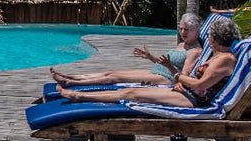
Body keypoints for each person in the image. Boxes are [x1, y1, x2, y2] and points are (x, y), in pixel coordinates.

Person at [56, 14, 239, 109]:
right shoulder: (218, 56)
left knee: (130, 93)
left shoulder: (224, 59)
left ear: (215, 39)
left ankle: (78, 96)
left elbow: (200, 83)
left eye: (210, 36)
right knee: (129, 91)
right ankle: (76, 91)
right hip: (184, 92)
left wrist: (176, 75)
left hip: (192, 99)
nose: (208, 38)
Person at [51, 13, 202, 87]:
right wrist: (150, 57)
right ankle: (72, 77)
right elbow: (168, 63)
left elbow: (183, 77)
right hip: (157, 71)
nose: (183, 32)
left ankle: (73, 84)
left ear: (197, 31)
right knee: (111, 72)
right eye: (181, 29)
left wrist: (168, 66)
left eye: (187, 30)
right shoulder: (182, 45)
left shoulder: (195, 51)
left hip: (166, 79)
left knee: (115, 78)